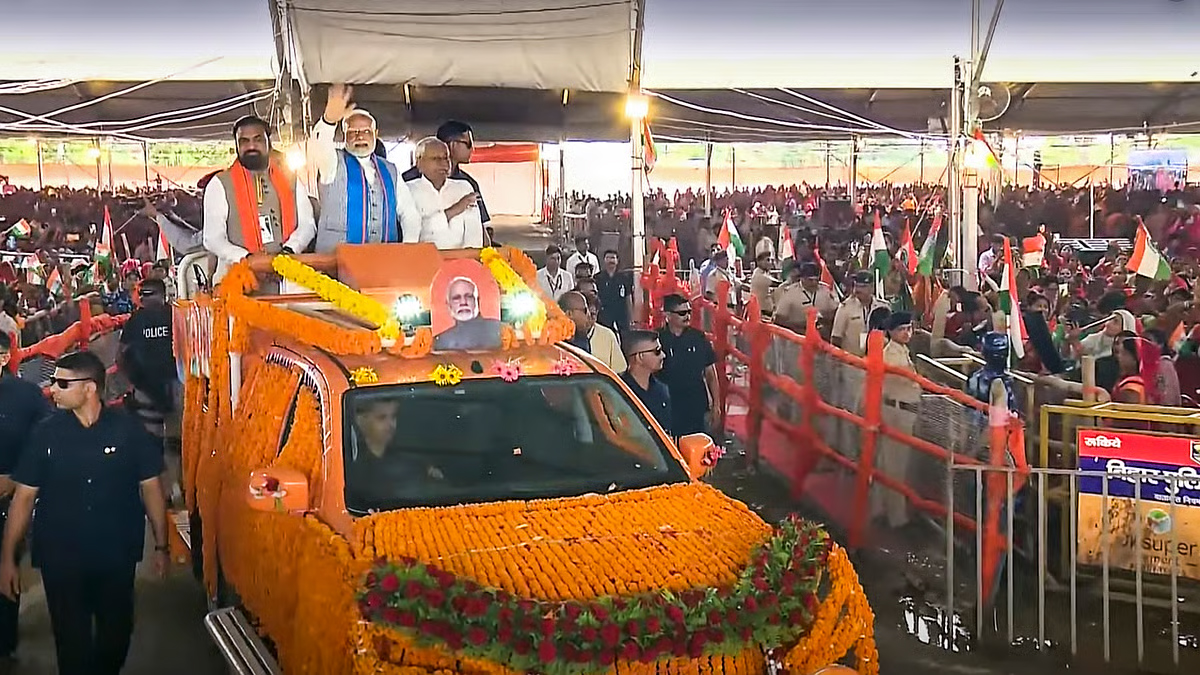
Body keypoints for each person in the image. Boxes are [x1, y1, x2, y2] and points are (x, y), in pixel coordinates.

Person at [0, 351, 169, 675]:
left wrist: (161, 546)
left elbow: (151, 488)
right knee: (71, 645)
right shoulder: (45, 434)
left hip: (115, 555)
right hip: (60, 559)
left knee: (116, 636)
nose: (52, 389)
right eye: (53, 381)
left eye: (62, 383)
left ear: (90, 388)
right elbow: (23, 498)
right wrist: (8, 558)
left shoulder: (128, 431)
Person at [202, 116, 317, 281]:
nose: (251, 146)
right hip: (238, 279)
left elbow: (307, 224)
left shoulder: (290, 179)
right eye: (244, 141)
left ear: (268, 142)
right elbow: (213, 238)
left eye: (258, 140)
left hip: (286, 276)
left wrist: (289, 251)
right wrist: (247, 259)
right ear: (236, 146)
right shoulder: (220, 183)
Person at [311, 84, 420, 251]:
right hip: (335, 259)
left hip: (382, 258)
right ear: (344, 136)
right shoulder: (333, 162)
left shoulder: (391, 169)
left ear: (376, 134)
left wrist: (408, 248)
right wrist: (329, 121)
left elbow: (409, 213)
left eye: (366, 131)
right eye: (353, 132)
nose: (360, 136)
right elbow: (320, 146)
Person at [0, 331, 51, 665]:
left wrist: (17, 477)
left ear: (4, 357)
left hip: (10, 501)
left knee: (5, 569)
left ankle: (4, 643)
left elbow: (45, 441)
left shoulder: (26, 397)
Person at [874, 311, 919, 530]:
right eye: (901, 329)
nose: (907, 333)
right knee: (895, 465)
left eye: (909, 328)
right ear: (891, 331)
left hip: (901, 409)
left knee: (890, 462)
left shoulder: (901, 351)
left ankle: (882, 510)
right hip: (897, 410)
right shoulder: (891, 355)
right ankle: (896, 518)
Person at [402, 120, 491, 230]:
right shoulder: (407, 182)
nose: (472, 149)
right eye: (468, 144)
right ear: (453, 145)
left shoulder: (468, 184)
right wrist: (457, 208)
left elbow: (483, 226)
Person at [403, 138, 484, 249]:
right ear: (419, 163)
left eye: (446, 158)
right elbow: (416, 233)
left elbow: (474, 234)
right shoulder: (408, 190)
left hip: (462, 258)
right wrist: (454, 210)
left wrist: (468, 256)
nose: (443, 163)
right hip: (425, 257)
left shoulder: (464, 187)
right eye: (435, 158)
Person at [657, 294, 718, 436]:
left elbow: (710, 373)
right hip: (669, 404)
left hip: (696, 405)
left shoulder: (699, 338)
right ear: (668, 315)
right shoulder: (658, 339)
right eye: (682, 313)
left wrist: (716, 405)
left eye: (689, 312)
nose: (687, 316)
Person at [620, 330, 672, 436]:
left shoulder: (662, 390)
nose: (663, 355)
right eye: (657, 351)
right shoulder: (618, 390)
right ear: (639, 357)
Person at [432, 277, 501, 351]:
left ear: (477, 301)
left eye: (469, 296)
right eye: (456, 298)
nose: (463, 302)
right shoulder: (442, 341)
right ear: (449, 305)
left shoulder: (499, 331)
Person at [967, 332, 1018, 414]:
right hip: (987, 420)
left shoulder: (974, 376)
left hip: (973, 420)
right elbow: (999, 416)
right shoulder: (998, 383)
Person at [594, 249, 633, 337]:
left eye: (613, 258)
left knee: (625, 336)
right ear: (604, 260)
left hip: (621, 312)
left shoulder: (624, 277)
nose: (610, 260)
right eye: (608, 258)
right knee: (605, 335)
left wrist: (631, 316)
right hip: (604, 313)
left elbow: (628, 297)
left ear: (617, 261)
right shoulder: (598, 278)